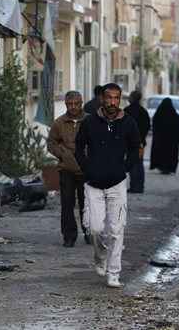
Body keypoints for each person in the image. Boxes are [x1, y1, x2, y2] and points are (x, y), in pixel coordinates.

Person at [75, 83, 140, 288]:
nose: (112, 102)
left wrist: (124, 169)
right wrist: (87, 168)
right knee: (94, 229)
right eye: (109, 97)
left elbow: (135, 148)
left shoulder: (128, 123)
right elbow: (78, 147)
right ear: (102, 99)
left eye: (116, 98)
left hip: (117, 184)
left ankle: (114, 273)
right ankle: (100, 256)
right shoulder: (89, 122)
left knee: (116, 230)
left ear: (120, 99)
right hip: (93, 183)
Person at [47, 91, 89, 248]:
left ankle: (89, 231)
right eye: (69, 104)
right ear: (65, 104)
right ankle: (69, 236)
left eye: (76, 103)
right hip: (67, 169)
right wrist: (62, 154)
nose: (73, 107)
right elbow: (51, 143)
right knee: (67, 203)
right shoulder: (59, 123)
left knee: (87, 203)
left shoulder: (90, 120)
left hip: (86, 169)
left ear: (81, 103)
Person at [123, 91, 151, 193]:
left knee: (133, 164)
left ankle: (135, 186)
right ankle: (140, 186)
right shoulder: (143, 111)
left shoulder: (127, 111)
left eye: (130, 97)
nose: (128, 98)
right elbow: (147, 126)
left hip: (130, 143)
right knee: (139, 163)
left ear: (133, 98)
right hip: (140, 143)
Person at [150, 98, 179, 174]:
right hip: (171, 142)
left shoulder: (159, 114)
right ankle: (169, 168)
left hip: (161, 141)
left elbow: (154, 126)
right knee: (170, 154)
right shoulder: (174, 116)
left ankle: (161, 167)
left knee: (161, 153)